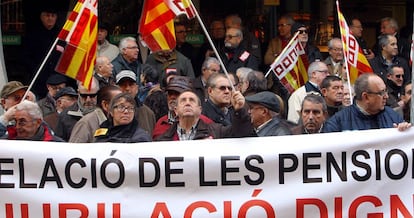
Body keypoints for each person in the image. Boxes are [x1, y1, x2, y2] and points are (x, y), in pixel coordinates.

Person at [322, 74, 411, 132]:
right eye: (381, 93)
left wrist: (404, 131)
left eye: (386, 91)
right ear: (366, 97)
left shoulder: (392, 115)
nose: (386, 97)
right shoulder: (337, 123)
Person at [155, 90, 256, 141]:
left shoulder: (217, 131)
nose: (187, 103)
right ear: (176, 111)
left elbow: (242, 133)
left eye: (192, 100)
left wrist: (239, 111)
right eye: (183, 100)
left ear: (200, 109)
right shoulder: (163, 139)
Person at [152, 76, 213, 140]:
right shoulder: (161, 122)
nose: (172, 97)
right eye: (170, 93)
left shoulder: (207, 123)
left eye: (177, 93)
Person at [23, 7, 61, 98]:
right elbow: (25, 57)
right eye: (47, 15)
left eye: (53, 16)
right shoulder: (32, 35)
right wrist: (36, 70)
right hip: (38, 80)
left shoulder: (61, 35)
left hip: (58, 80)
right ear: (41, 17)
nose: (50, 18)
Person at [115, 70, 156, 135]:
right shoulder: (110, 112)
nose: (127, 88)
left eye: (131, 84)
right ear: (116, 88)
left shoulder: (148, 114)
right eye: (123, 85)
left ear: (136, 88)